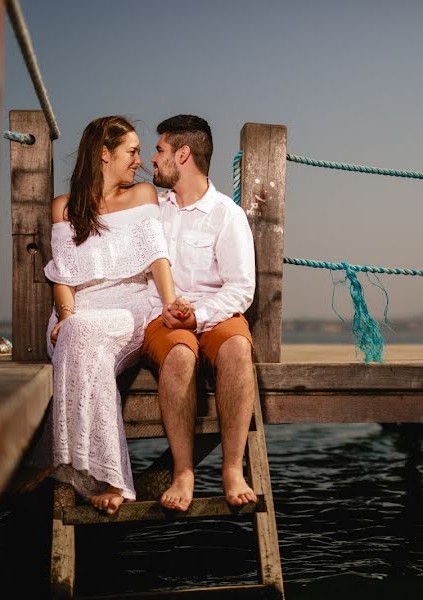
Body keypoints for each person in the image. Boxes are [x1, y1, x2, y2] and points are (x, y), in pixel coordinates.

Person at [31, 115, 178, 515]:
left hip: (130, 306)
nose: (139, 162)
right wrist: (65, 314)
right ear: (103, 153)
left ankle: (74, 466)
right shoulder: (64, 207)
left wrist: (169, 303)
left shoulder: (143, 195)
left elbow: (157, 258)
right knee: (79, 334)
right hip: (78, 309)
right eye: (131, 152)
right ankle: (104, 474)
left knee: (85, 336)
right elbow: (63, 275)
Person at [141, 114, 258, 511]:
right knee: (179, 354)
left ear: (183, 154)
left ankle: (232, 468)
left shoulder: (228, 214)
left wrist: (200, 316)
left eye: (159, 150)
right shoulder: (152, 210)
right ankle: (184, 470)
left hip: (215, 315)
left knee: (239, 349)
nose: (151, 159)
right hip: (165, 320)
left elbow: (241, 288)